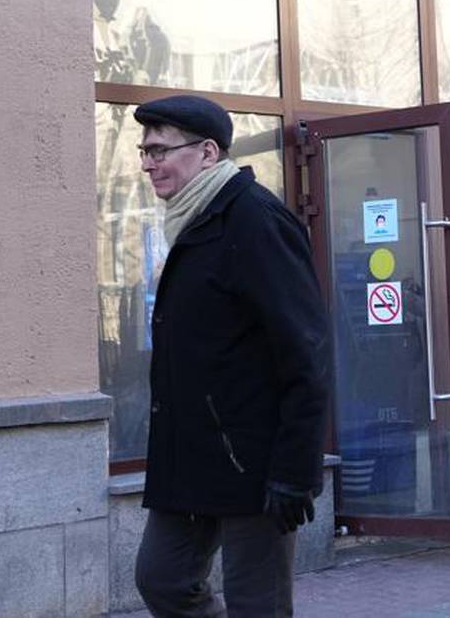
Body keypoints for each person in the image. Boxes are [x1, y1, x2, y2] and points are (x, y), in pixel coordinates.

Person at [131, 95, 330, 617]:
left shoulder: (256, 221)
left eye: (160, 150)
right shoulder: (190, 221)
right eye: (144, 151)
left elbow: (304, 350)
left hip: (256, 460)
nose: (148, 163)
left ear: (208, 152)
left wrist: (296, 469)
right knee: (163, 580)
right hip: (190, 457)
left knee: (256, 605)